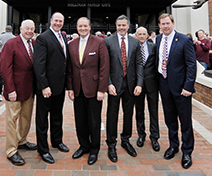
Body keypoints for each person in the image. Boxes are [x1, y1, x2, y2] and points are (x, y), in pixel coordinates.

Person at [66, 17, 109, 165]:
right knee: (80, 120)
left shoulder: (99, 42)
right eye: (80, 26)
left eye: (85, 26)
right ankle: (84, 146)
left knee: (94, 121)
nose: (83, 28)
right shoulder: (71, 44)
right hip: (78, 89)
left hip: (94, 89)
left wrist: (102, 89)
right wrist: (70, 88)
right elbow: (70, 69)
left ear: (90, 27)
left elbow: (104, 67)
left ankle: (94, 149)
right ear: (77, 28)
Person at [156, 13, 196, 169]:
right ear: (159, 25)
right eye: (162, 24)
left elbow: (191, 65)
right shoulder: (158, 39)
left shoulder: (184, 40)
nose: (165, 26)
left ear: (173, 23)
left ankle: (187, 151)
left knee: (185, 121)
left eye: (167, 23)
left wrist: (188, 87)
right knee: (170, 119)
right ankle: (173, 146)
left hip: (181, 88)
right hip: (164, 85)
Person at [104, 15, 144, 163]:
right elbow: (104, 65)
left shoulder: (135, 42)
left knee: (129, 114)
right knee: (112, 114)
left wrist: (139, 84)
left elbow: (139, 63)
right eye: (119, 25)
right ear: (116, 26)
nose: (121, 27)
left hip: (131, 85)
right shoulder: (108, 41)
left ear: (128, 26)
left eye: (124, 25)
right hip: (114, 85)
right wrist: (108, 83)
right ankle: (111, 143)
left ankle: (125, 140)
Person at [33, 13, 70, 164]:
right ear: (51, 21)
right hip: (46, 87)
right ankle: (43, 149)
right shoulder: (43, 38)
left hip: (59, 87)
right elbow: (39, 64)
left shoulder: (63, 37)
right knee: (42, 119)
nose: (58, 23)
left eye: (61, 21)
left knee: (57, 116)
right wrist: (44, 86)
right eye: (56, 20)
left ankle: (57, 141)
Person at [0, 20, 38, 166]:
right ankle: (11, 150)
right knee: (11, 120)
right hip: (14, 90)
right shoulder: (11, 44)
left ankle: (22, 140)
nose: (29, 31)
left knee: (26, 117)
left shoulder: (34, 44)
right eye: (27, 28)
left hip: (29, 89)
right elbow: (5, 68)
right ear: (21, 28)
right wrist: (10, 89)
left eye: (32, 29)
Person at [133, 27, 160, 151]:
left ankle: (154, 137)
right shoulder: (133, 48)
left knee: (153, 111)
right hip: (137, 85)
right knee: (139, 111)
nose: (142, 36)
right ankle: (141, 135)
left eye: (144, 34)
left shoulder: (153, 47)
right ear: (136, 35)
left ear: (147, 35)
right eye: (140, 34)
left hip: (152, 84)